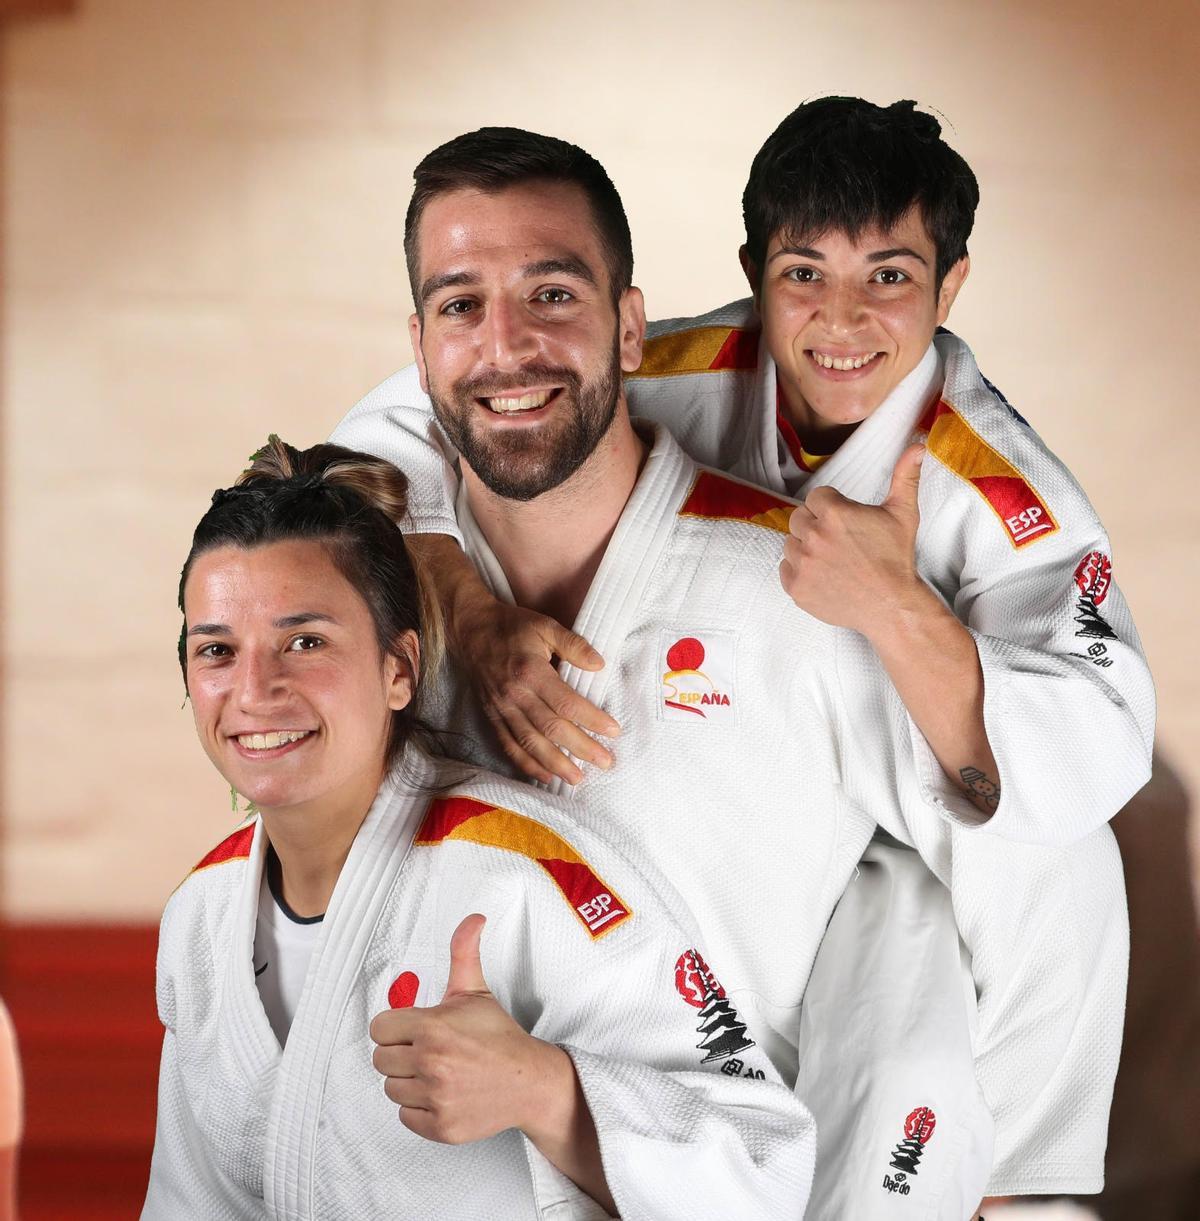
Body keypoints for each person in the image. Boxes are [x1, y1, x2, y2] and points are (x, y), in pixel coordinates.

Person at [329, 124, 1146, 1214]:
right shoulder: (662, 358)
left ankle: (1036, 1194)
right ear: (756, 278)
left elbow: (1080, 777)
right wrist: (471, 614)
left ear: (950, 286)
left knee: (906, 1081)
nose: (842, 323)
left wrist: (898, 611)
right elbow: (401, 425)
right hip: (705, 772)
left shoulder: (994, 486)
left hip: (898, 817)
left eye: (888, 278)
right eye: (803, 275)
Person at [142, 438, 817, 1220]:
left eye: (305, 641)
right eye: (217, 650)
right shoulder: (202, 913)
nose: (254, 689)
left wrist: (543, 1087)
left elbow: (765, 1166)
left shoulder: (526, 876)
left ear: (399, 668)